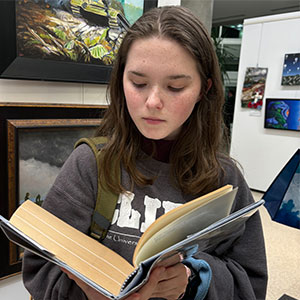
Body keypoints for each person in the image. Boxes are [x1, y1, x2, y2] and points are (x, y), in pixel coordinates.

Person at [22, 5, 268, 300]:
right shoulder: (90, 164)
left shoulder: (226, 179)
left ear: (204, 89)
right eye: (138, 83)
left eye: (175, 87)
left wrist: (194, 279)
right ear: (120, 81)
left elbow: (251, 284)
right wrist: (87, 293)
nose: (152, 102)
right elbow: (39, 267)